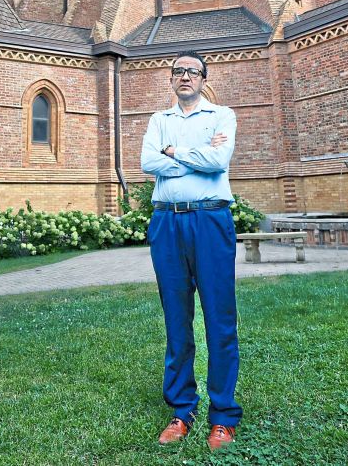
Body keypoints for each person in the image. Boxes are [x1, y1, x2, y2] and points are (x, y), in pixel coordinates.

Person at [139, 51, 241, 452]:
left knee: (219, 318)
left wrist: (174, 154)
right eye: (178, 71)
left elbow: (218, 161)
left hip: (210, 220)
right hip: (167, 221)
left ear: (203, 79)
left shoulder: (222, 116)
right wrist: (192, 158)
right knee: (176, 319)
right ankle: (182, 409)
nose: (185, 77)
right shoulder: (158, 121)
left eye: (192, 72)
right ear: (171, 79)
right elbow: (148, 161)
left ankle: (223, 416)